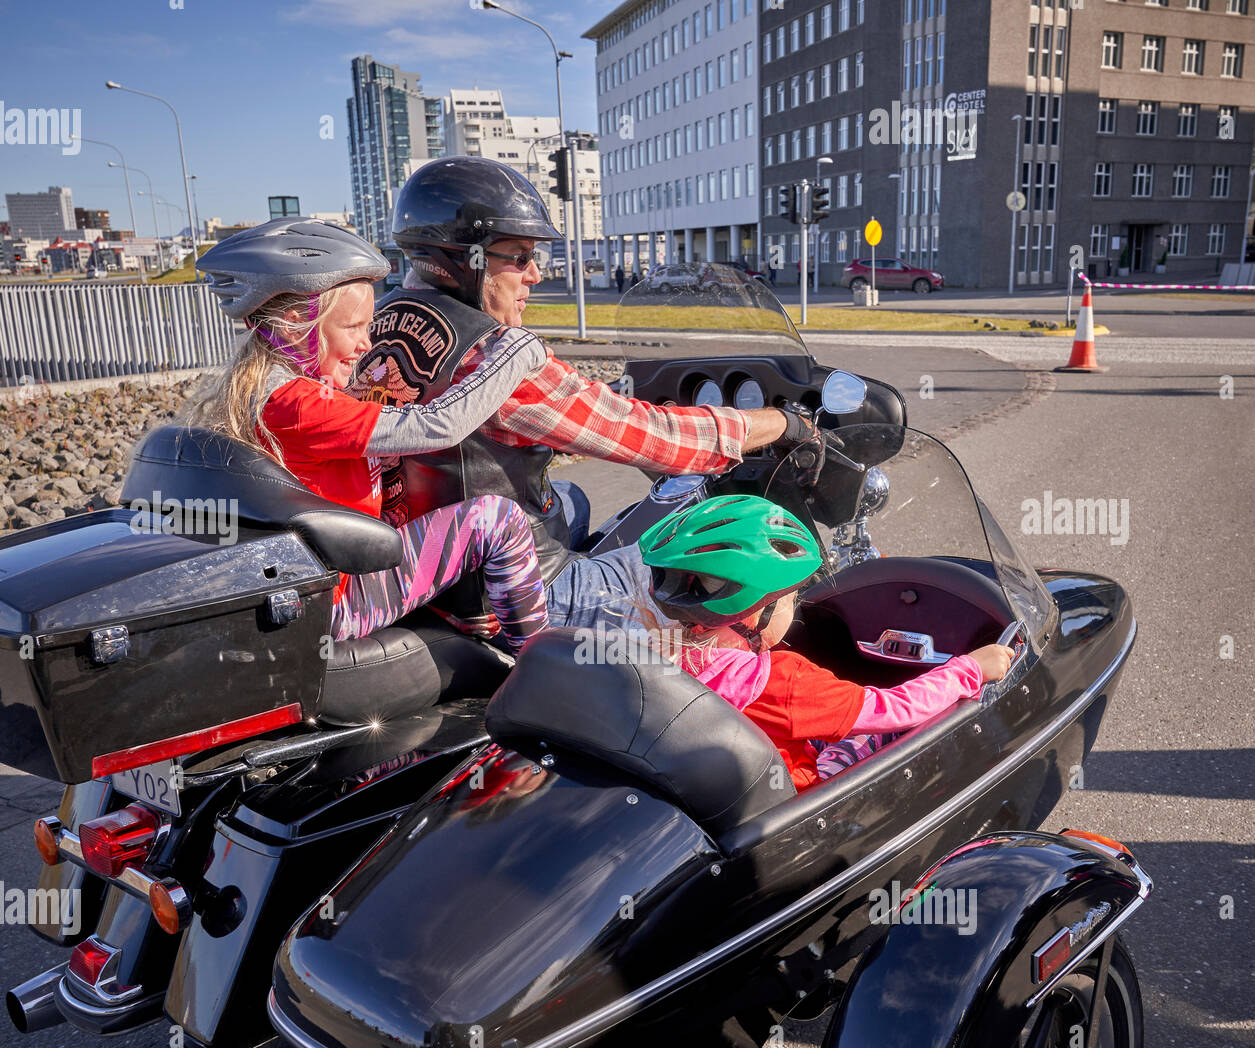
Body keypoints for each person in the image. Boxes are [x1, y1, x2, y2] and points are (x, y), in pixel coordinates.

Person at [353, 156, 822, 639]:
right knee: (720, 586)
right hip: (508, 595)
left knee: (571, 498)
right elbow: (659, 440)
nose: (534, 274)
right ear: (460, 258)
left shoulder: (375, 325)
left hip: (417, 566)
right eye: (518, 257)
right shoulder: (494, 355)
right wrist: (784, 423)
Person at [189, 218, 550, 652]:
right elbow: (438, 426)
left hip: (315, 584)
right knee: (498, 519)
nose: (366, 344)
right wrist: (516, 352)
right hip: (340, 602)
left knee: (567, 494)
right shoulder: (299, 406)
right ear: (291, 323)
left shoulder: (265, 387)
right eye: (352, 327)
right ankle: (537, 659)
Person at [638, 495, 1016, 790]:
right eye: (790, 599)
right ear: (755, 613)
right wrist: (968, 669)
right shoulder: (780, 682)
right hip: (802, 797)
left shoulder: (648, 661)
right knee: (893, 730)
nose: (796, 606)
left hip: (733, 789)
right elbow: (892, 708)